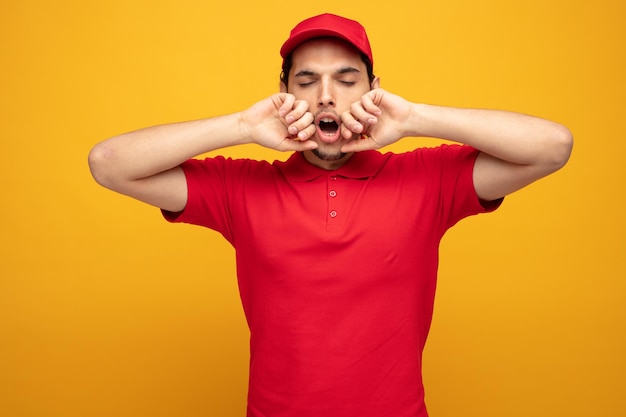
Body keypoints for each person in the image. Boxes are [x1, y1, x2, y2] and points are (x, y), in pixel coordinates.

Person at [88, 13, 573, 417]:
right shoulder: (241, 188)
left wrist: (414, 120)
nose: (326, 95)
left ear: (373, 89)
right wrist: (241, 126)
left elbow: (552, 147)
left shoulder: (428, 178)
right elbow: (109, 164)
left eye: (346, 79)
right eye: (306, 80)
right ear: (283, 93)